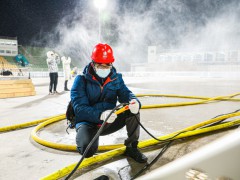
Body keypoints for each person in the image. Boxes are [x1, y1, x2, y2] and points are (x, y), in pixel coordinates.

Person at [71, 43, 148, 163]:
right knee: (87, 150)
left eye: (107, 65)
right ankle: (87, 139)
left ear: (111, 64)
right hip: (89, 123)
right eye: (100, 65)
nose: (104, 68)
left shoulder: (116, 78)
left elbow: (126, 94)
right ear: (93, 63)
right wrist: (100, 115)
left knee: (132, 110)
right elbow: (79, 109)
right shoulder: (81, 80)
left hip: (109, 121)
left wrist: (135, 101)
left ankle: (132, 147)